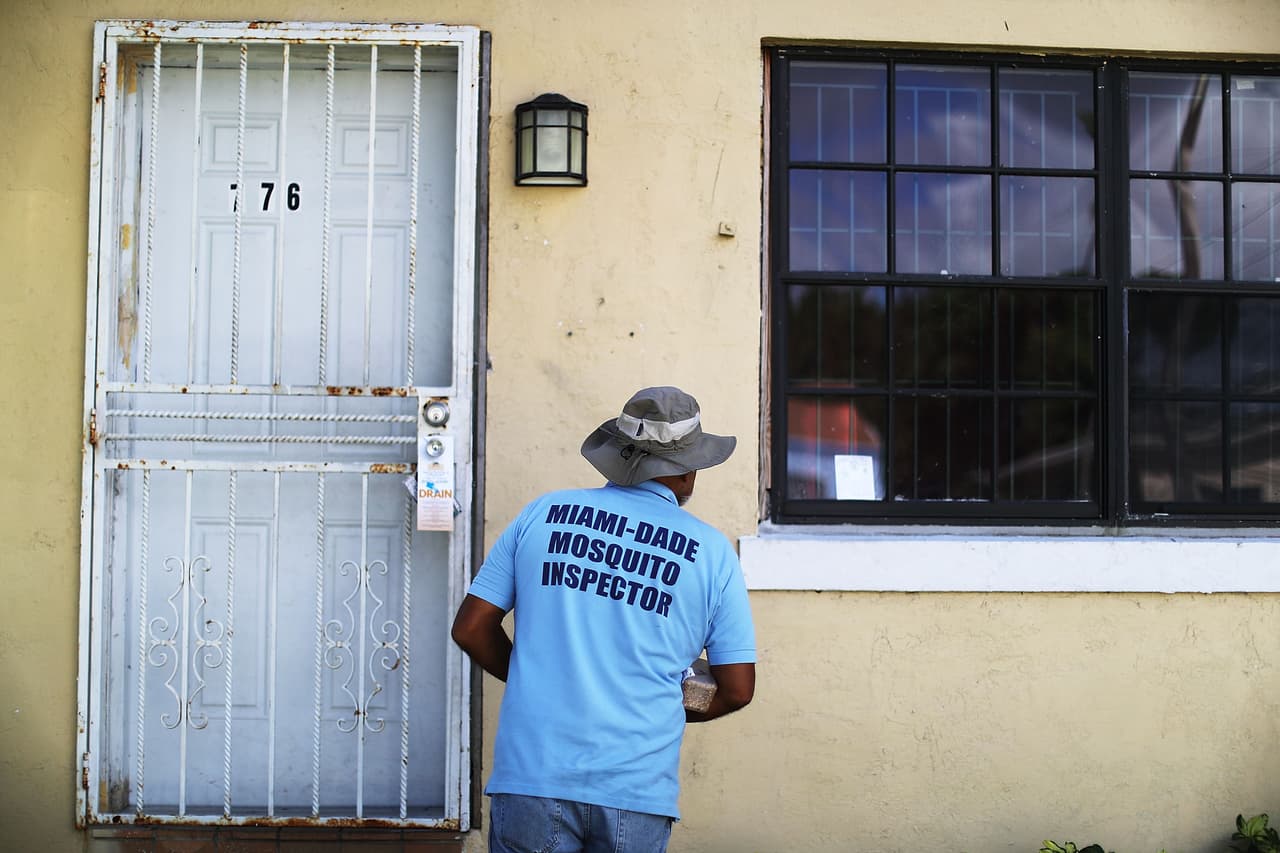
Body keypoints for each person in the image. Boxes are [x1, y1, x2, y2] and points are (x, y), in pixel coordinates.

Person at [451, 386, 757, 853]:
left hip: (532, 774)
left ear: (619, 454)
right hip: (636, 788)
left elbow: (471, 628)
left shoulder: (544, 514)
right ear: (689, 469)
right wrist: (660, 711)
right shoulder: (713, 554)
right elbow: (738, 688)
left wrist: (534, 680)